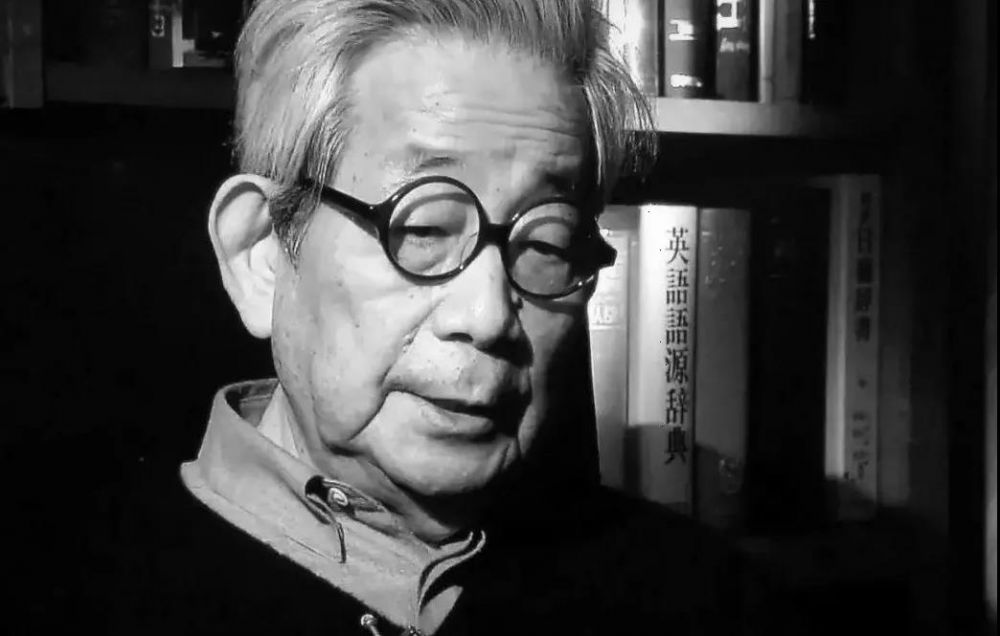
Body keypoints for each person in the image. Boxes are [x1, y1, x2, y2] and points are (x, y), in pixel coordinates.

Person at [110, 1, 741, 634]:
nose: (488, 316)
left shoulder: (709, 601)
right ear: (261, 252)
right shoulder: (73, 583)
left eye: (547, 244)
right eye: (425, 229)